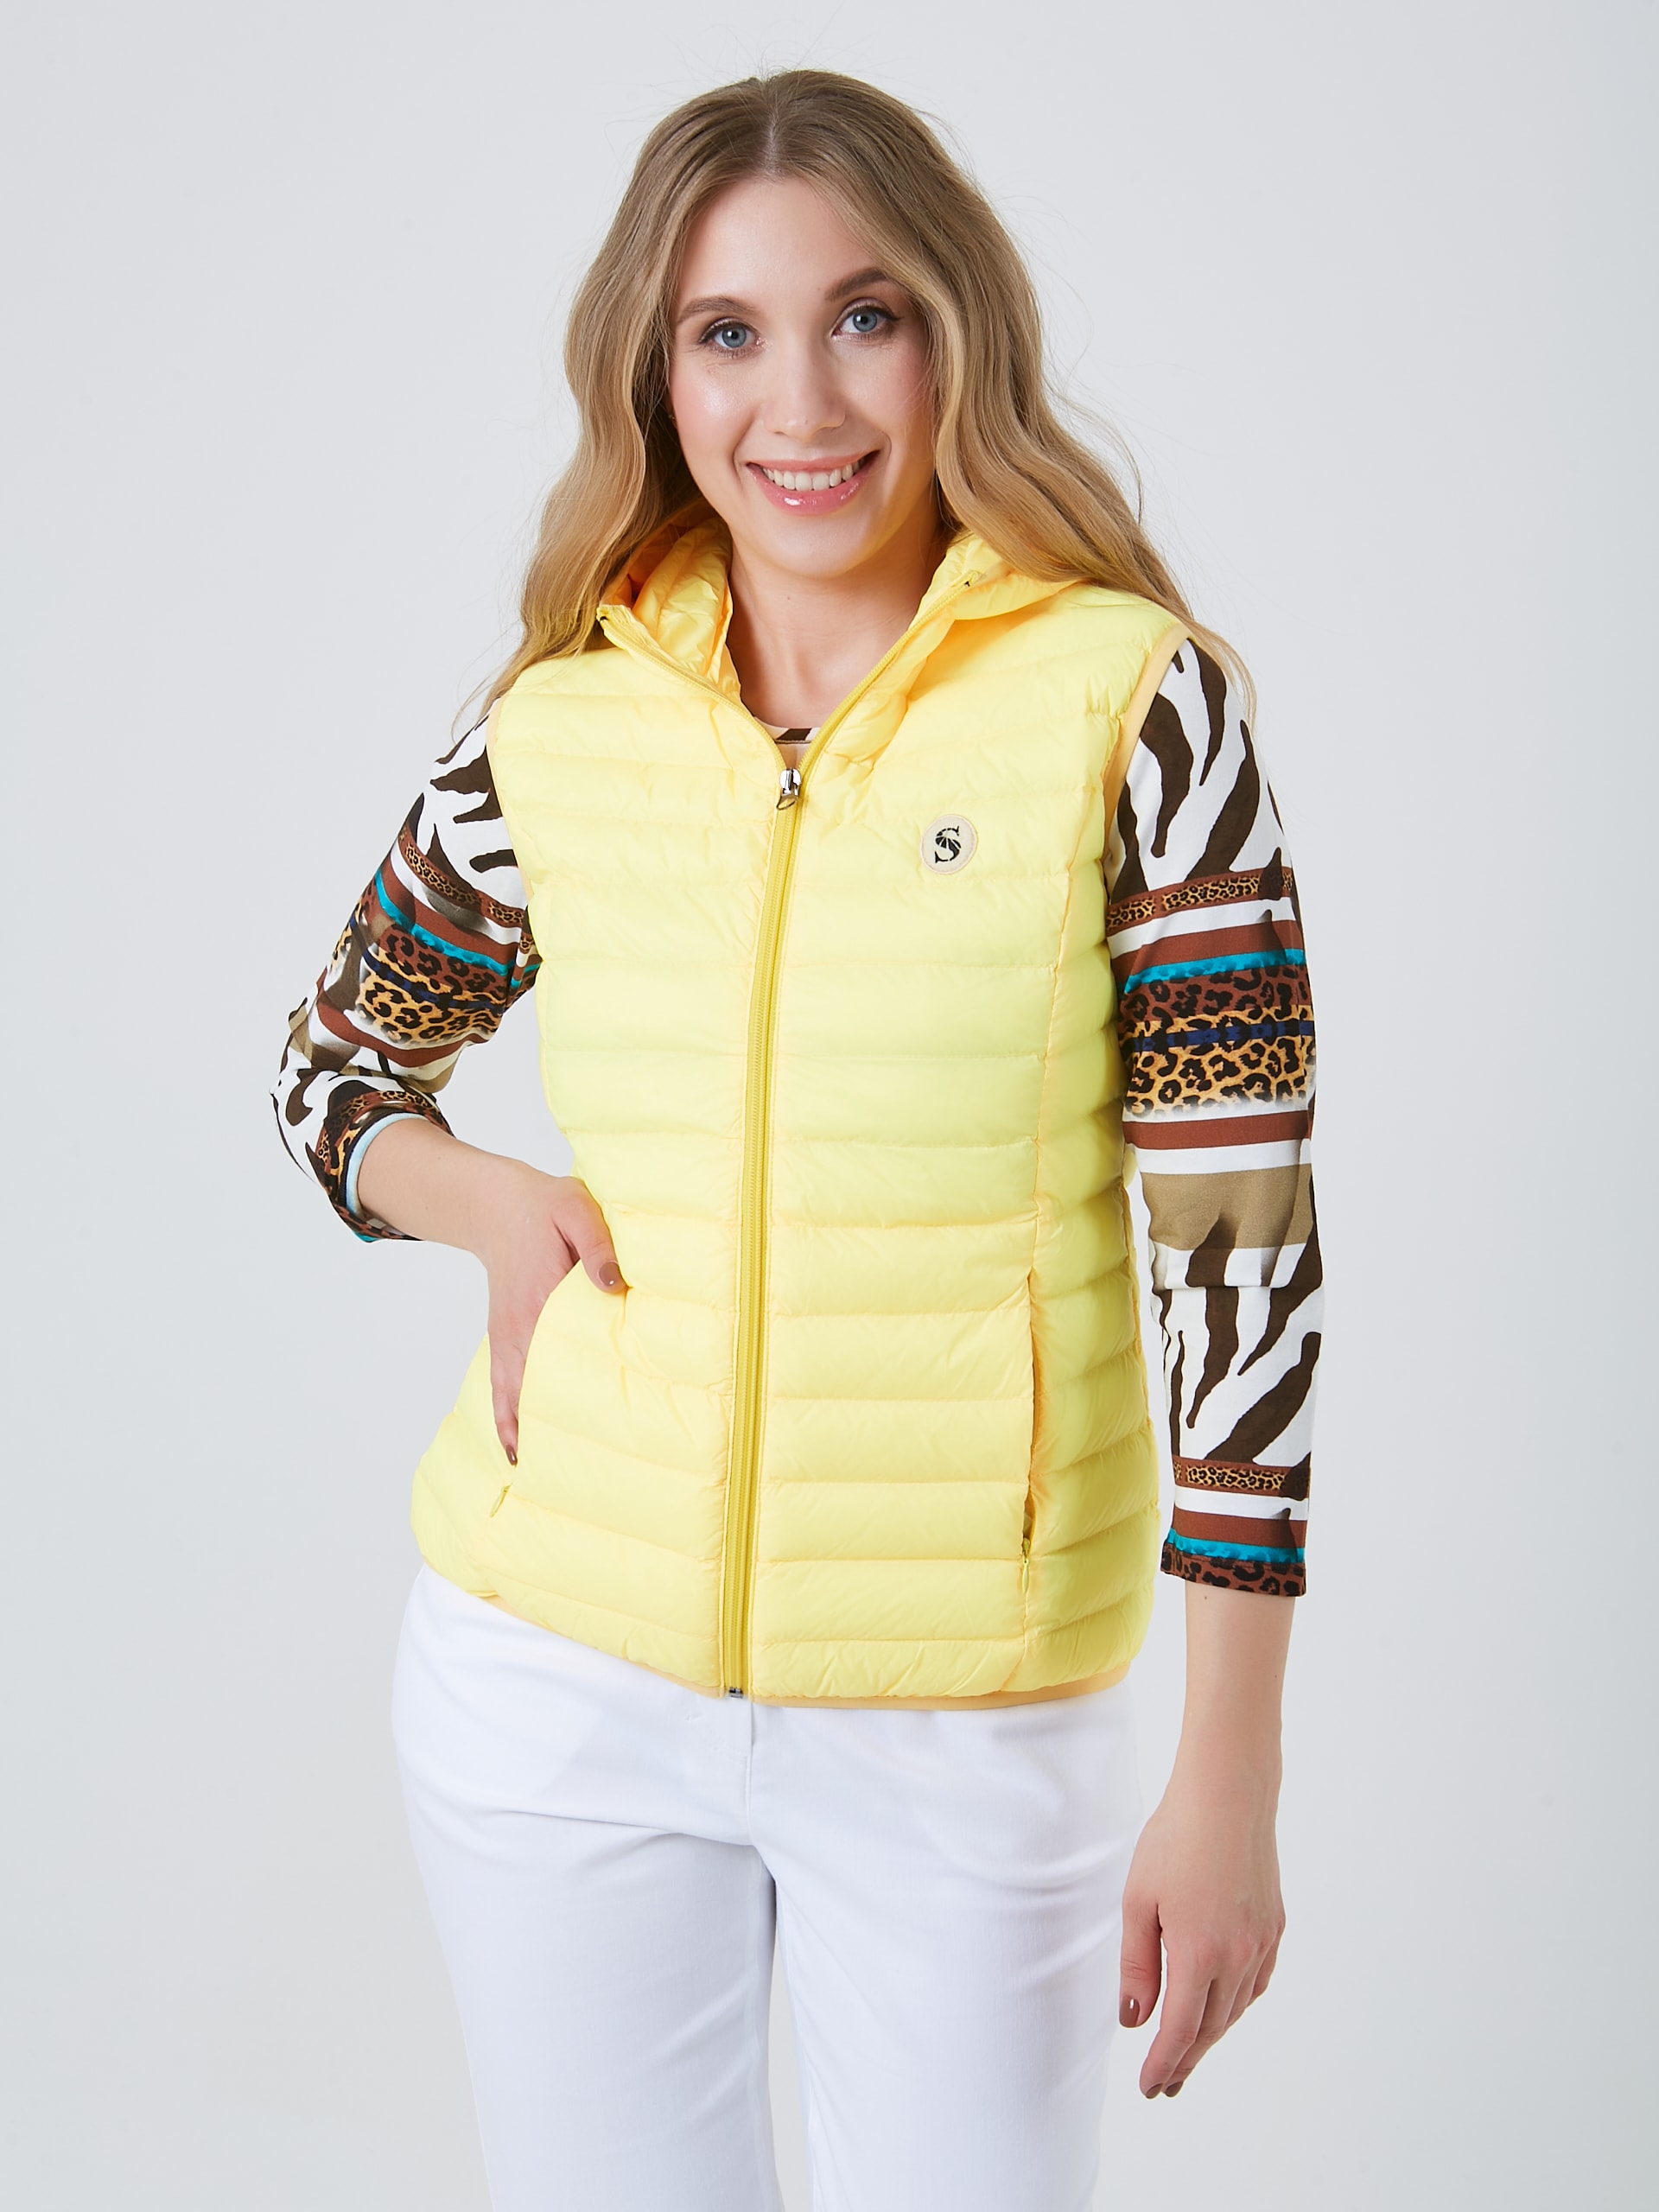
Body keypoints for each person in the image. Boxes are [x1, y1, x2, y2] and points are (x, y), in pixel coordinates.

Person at [274, 67, 1319, 2212]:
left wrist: (1231, 1769)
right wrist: (489, 1204)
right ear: (657, 380)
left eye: (865, 316)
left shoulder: (1135, 709)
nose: (802, 402)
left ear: (954, 334)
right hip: (554, 1670)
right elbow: (330, 1073)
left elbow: (1238, 1245)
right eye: (727, 333)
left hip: (965, 1714)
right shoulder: (561, 723)